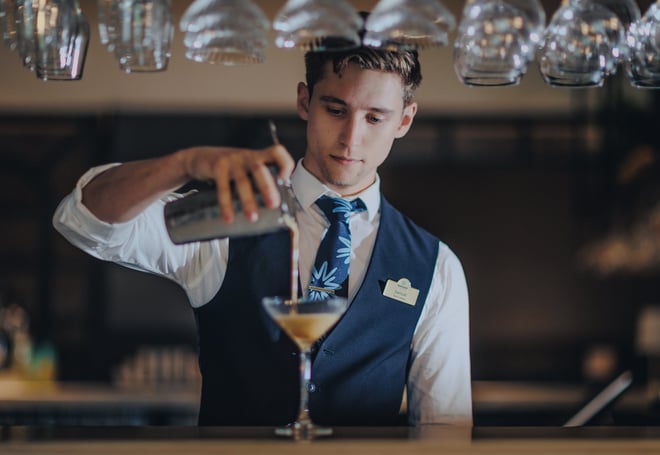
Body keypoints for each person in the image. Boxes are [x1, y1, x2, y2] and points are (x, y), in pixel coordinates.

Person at [53, 38, 472, 427]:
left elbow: (444, 429)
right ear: (305, 101)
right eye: (335, 109)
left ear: (404, 120)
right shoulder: (226, 221)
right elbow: (85, 219)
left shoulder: (436, 267)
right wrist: (185, 163)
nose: (351, 138)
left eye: (375, 117)